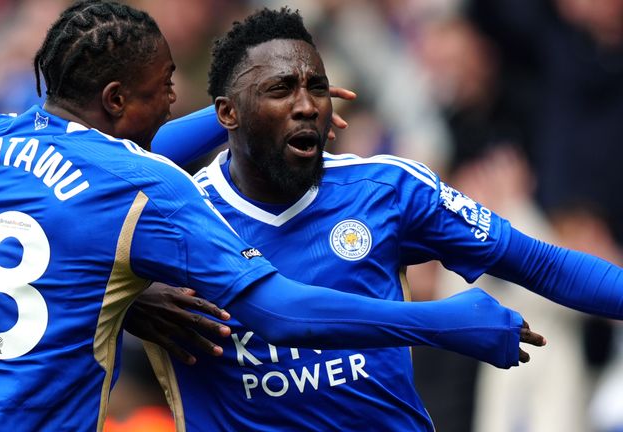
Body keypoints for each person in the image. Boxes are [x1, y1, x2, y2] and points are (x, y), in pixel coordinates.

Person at [0, 2, 546, 431]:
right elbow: (277, 312)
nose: (171, 99)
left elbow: (77, 213)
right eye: (162, 86)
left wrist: (252, 111)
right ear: (113, 97)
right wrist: (438, 321)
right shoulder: (148, 186)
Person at [131, 7, 623, 431]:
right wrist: (132, 299)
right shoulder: (172, 215)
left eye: (317, 88)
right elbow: (85, 189)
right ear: (227, 115)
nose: (306, 106)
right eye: (281, 89)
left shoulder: (389, 188)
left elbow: (545, 266)